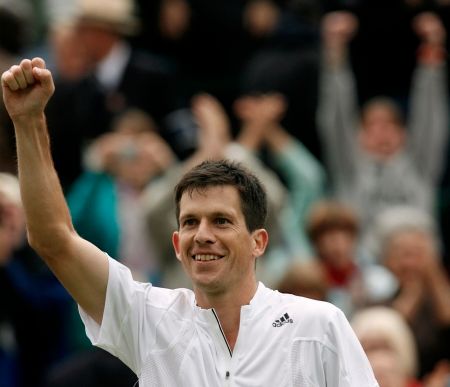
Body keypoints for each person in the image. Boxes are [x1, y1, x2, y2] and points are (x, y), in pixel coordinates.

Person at [1, 58, 379, 386]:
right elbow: (54, 240)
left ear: (258, 241)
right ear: (176, 244)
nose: (203, 235)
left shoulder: (319, 325)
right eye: (191, 222)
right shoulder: (148, 319)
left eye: (221, 221)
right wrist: (29, 120)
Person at [317, 11, 448, 235]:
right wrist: (334, 50)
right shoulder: (350, 167)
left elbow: (431, 118)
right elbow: (336, 119)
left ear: (404, 135)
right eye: (371, 127)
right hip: (364, 263)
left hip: (417, 257)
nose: (382, 133)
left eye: (390, 125)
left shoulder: (420, 166)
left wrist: (432, 51)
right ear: (358, 136)